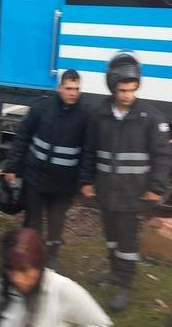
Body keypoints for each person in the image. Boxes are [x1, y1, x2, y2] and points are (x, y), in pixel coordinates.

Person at [80, 51, 171, 311]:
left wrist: (156, 187)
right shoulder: (100, 116)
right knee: (110, 237)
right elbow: (89, 151)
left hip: (132, 196)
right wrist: (86, 180)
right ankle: (114, 272)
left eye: (132, 89)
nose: (128, 95)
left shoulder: (151, 118)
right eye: (123, 90)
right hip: (106, 192)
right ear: (112, 87)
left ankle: (125, 285)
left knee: (127, 242)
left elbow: (163, 156)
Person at [3, 69, 88, 269]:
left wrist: (82, 183)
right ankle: (31, 258)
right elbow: (22, 138)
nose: (72, 93)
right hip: (36, 179)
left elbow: (88, 152)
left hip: (63, 185)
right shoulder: (42, 108)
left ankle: (52, 258)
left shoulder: (86, 116)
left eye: (76, 89)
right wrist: (12, 167)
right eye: (68, 88)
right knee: (32, 222)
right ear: (60, 88)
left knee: (56, 224)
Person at [0, 228, 113, 327]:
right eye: (10, 269)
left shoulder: (62, 289)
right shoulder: (0, 289)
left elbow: (101, 324)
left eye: (24, 270)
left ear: (39, 266)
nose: (16, 278)